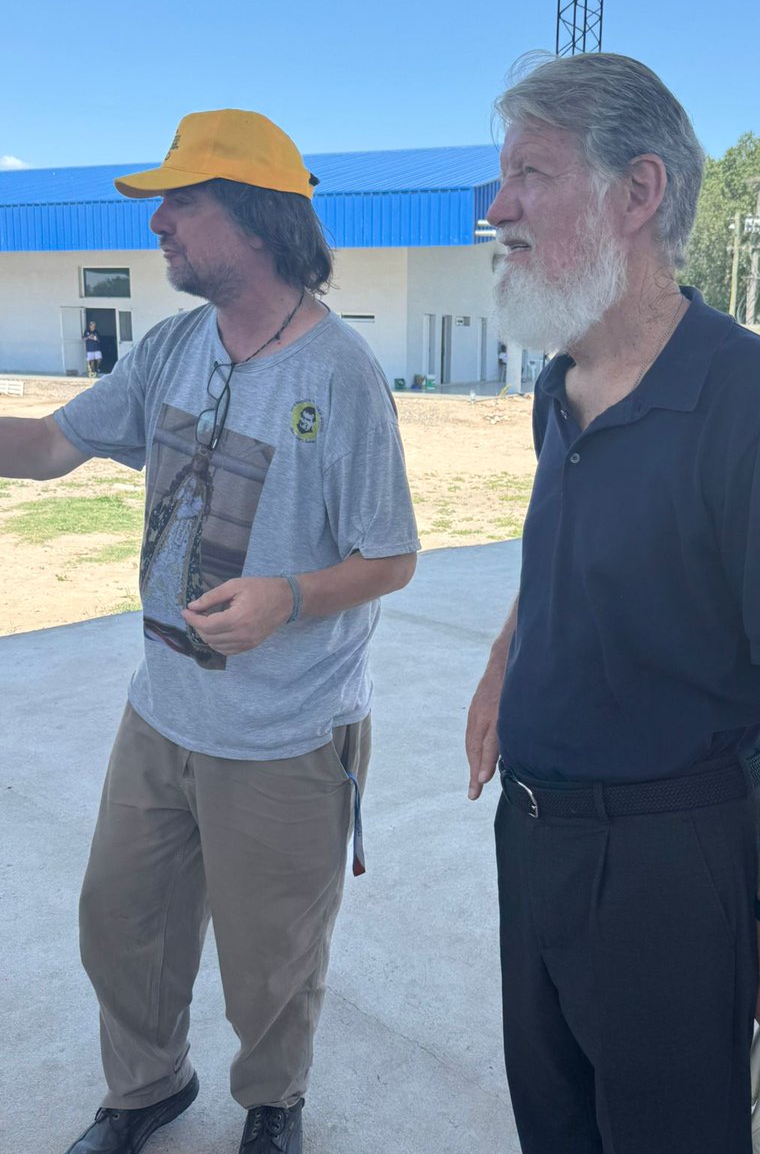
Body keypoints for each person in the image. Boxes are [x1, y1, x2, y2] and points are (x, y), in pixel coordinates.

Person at [465, 52, 760, 1154]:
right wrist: (507, 662)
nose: (495, 208)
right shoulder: (562, 384)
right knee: (553, 1122)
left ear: (638, 193)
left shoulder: (755, 399)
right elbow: (566, 552)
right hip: (533, 838)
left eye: (531, 175)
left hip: (667, 864)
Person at [0, 108, 419, 1154]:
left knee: (270, 960)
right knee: (121, 920)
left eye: (182, 204)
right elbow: (55, 444)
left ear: (256, 218)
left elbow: (393, 555)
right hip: (161, 713)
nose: (161, 227)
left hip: (285, 734)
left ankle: (273, 1104)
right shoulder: (174, 346)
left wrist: (289, 597)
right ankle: (146, 1089)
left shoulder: (342, 375)